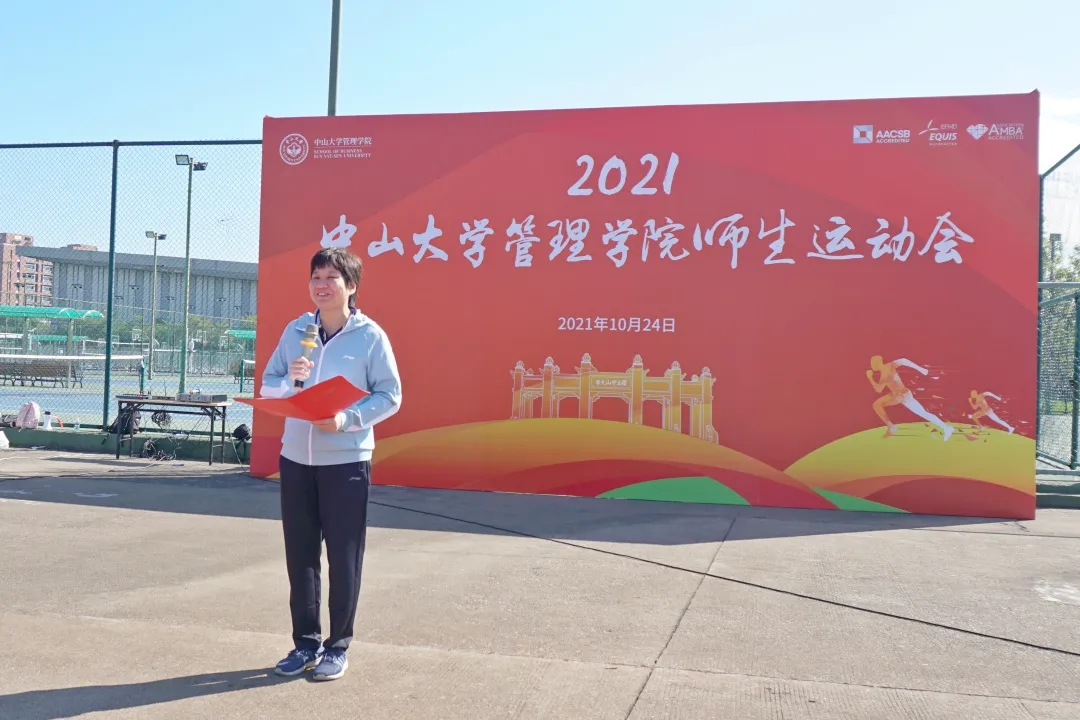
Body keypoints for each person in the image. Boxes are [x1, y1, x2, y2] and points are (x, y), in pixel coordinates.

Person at [260, 247, 402, 681]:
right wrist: (290, 382)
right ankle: (305, 643)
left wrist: (345, 420)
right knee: (300, 555)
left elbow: (389, 395)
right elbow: (269, 384)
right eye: (316, 277)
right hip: (296, 459)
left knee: (343, 555)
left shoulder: (370, 336)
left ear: (351, 286)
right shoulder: (296, 331)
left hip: (346, 461)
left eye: (331, 278)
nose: (321, 286)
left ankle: (337, 646)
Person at [866, 355, 953, 441]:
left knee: (877, 405)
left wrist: (870, 377)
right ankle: (946, 428)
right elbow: (903, 360)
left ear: (877, 363)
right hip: (902, 394)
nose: (871, 365)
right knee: (923, 413)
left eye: (872, 362)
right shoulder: (889, 366)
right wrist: (922, 370)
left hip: (901, 395)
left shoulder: (886, 372)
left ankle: (891, 426)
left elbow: (878, 389)